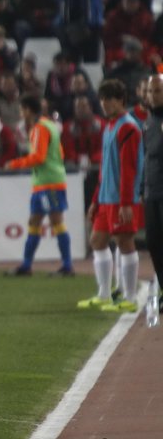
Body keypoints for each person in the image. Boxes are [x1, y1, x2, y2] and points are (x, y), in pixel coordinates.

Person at [78, 80, 144, 313]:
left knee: (124, 241)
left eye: (110, 99)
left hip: (121, 199)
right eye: (103, 99)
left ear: (121, 100)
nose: (105, 103)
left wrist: (127, 202)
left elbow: (129, 169)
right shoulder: (110, 126)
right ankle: (104, 293)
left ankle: (129, 297)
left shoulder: (128, 127)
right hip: (107, 198)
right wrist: (96, 200)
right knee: (97, 240)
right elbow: (106, 168)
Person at [3, 95, 75, 276]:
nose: (21, 113)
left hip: (48, 182)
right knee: (35, 221)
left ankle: (67, 266)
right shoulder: (50, 125)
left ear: (28, 110)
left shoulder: (40, 129)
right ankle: (26, 266)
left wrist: (14, 164)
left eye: (21, 110)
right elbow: (60, 153)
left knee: (56, 222)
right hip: (45, 182)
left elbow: (39, 157)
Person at [141, 75, 163, 307]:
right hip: (151, 191)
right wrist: (141, 187)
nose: (153, 95)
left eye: (157, 91)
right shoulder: (148, 123)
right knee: (153, 242)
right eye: (150, 91)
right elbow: (147, 158)